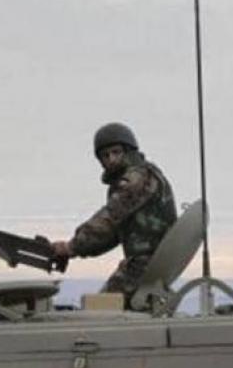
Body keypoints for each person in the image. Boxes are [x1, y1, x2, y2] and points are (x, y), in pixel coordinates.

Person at [51, 122, 177, 308]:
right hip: (146, 266)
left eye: (116, 152)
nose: (111, 159)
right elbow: (112, 234)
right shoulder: (142, 175)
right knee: (100, 309)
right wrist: (78, 249)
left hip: (143, 265)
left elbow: (110, 218)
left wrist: (71, 246)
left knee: (100, 312)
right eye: (105, 155)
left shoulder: (137, 178)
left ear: (128, 151)